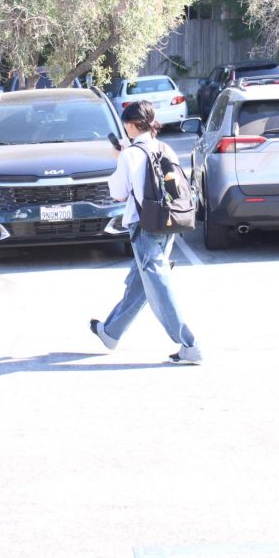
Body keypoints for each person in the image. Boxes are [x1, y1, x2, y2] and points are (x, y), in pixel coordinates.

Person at [89, 100, 201, 364]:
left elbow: (117, 193)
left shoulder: (129, 155)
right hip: (169, 223)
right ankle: (111, 332)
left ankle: (189, 344)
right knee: (142, 283)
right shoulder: (166, 148)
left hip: (143, 226)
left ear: (130, 124)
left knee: (158, 286)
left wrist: (120, 159)